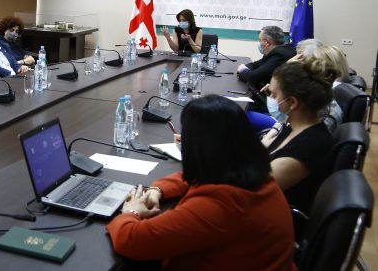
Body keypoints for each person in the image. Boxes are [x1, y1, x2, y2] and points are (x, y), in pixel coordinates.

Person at [106, 95, 295, 270]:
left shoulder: (219, 206)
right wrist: (157, 190)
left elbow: (130, 240)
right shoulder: (251, 174)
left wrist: (131, 211)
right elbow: (198, 176)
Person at [261, 56, 336, 213]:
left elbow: (254, 189)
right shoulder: (294, 127)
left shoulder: (311, 145)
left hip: (275, 217)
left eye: (274, 95)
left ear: (293, 103)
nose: (270, 99)